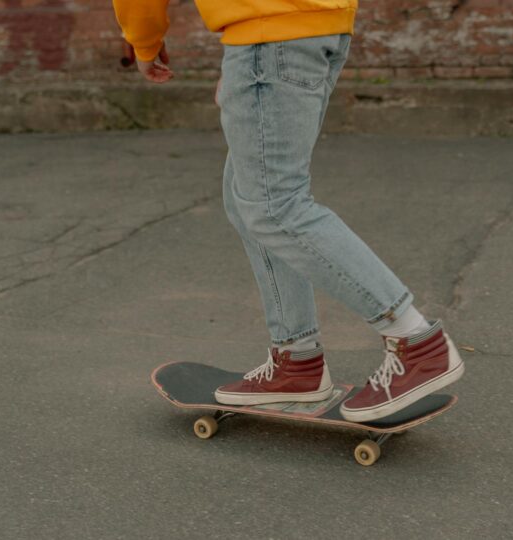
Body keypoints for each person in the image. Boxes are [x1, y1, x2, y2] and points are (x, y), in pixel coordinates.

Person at [112, 0, 464, 422]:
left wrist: (144, 41)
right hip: (305, 28)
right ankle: (297, 360)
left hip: (271, 33)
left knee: (273, 205)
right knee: (247, 197)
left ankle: (417, 342)